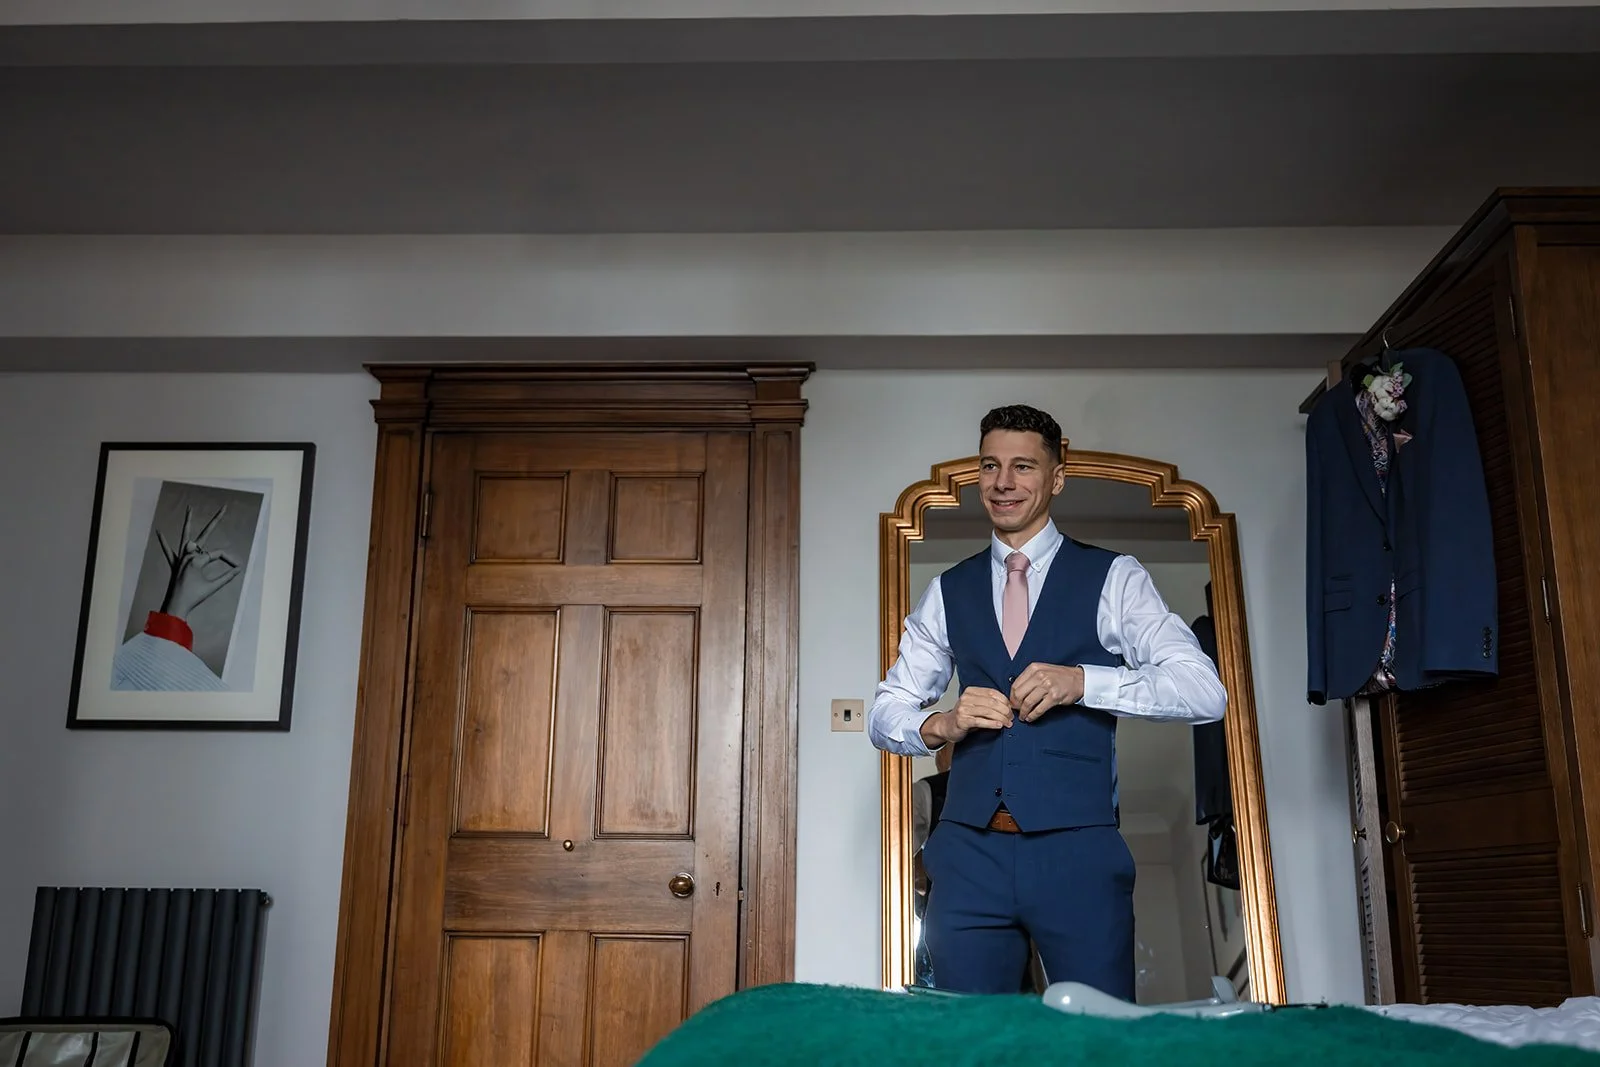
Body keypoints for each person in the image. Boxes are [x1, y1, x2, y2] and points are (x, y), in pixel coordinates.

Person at [868, 404, 1226, 998]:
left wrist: (1085, 682)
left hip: (1078, 854)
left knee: (1096, 1041)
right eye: (990, 466)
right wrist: (944, 721)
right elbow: (886, 712)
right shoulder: (946, 591)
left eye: (1023, 467)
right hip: (967, 856)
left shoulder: (1114, 577)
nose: (1003, 482)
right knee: (973, 1044)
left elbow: (1203, 691)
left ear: (1056, 478)